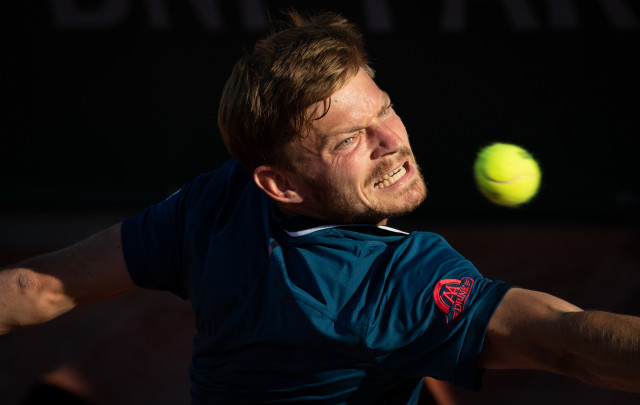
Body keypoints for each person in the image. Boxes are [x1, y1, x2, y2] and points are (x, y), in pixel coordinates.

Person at [1, 9, 639, 405]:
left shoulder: (218, 201)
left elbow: (36, 287)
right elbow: (564, 342)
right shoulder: (387, 283)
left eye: (384, 108)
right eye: (349, 139)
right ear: (282, 184)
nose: (392, 141)